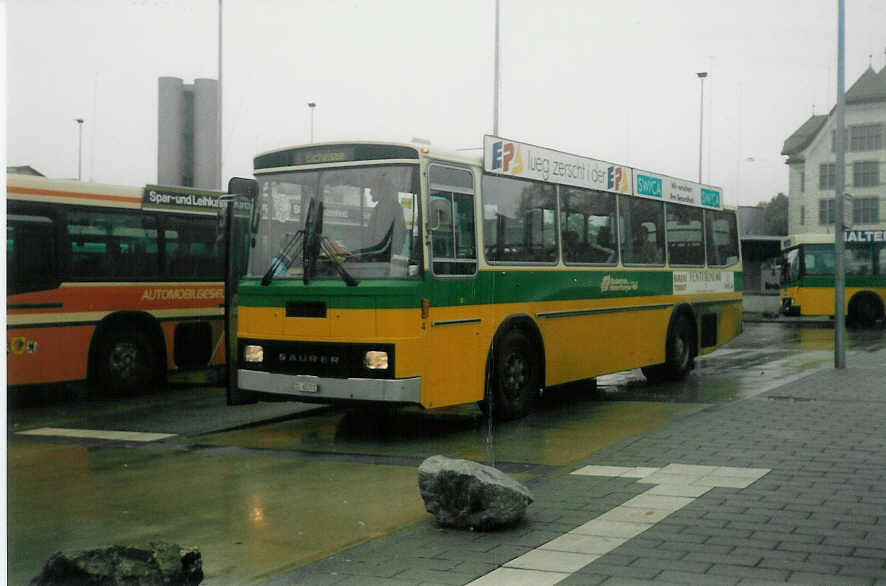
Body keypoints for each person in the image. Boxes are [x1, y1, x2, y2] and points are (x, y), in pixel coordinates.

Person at [363, 177, 407, 258]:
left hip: (379, 256)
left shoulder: (386, 207)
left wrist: (369, 255)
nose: (370, 192)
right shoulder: (387, 206)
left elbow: (378, 237)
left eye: (372, 188)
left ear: (381, 190)